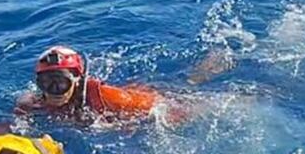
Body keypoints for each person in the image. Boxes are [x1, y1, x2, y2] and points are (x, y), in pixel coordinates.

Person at [16, 46, 187, 123]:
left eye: (61, 83)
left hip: (138, 96)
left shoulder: (106, 96)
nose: (53, 91)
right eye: (45, 83)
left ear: (77, 80)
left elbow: (163, 106)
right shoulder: (33, 104)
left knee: (188, 82)